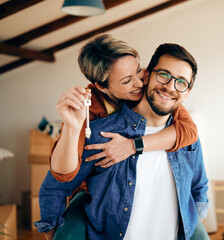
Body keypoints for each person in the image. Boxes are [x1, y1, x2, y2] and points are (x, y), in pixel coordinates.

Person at [35, 41, 209, 240]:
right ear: (151, 74)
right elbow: (56, 184)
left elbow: (198, 184)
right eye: (164, 74)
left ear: (187, 92)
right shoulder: (99, 129)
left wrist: (195, 225)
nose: (170, 87)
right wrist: (52, 232)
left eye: (181, 82)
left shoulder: (184, 132)